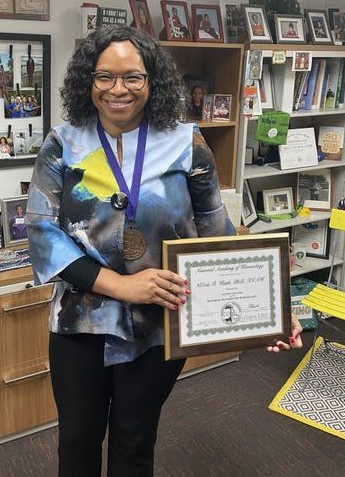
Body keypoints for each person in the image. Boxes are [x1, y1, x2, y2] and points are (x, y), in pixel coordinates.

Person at [26, 25, 302, 477]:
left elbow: (216, 231)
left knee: (136, 442)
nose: (119, 89)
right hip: (80, 323)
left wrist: (271, 310)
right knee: (77, 440)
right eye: (105, 77)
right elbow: (41, 233)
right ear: (87, 81)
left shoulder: (185, 143)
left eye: (133, 77)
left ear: (152, 81)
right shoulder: (63, 143)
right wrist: (122, 286)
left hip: (160, 327)